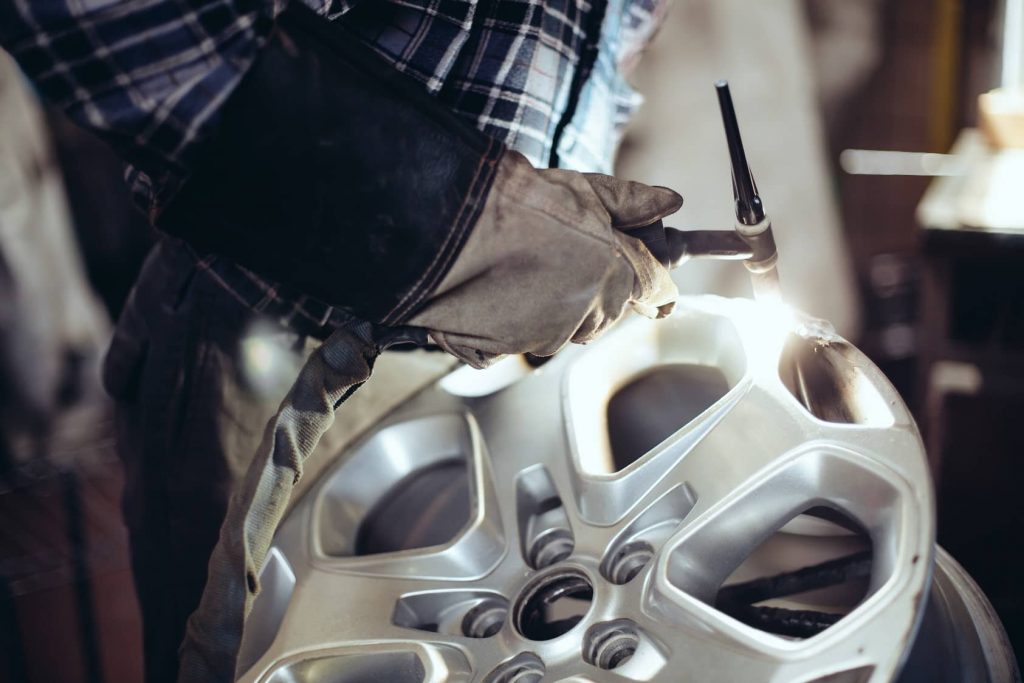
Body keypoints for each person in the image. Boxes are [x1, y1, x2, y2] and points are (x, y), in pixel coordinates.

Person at [1, 0, 682, 679]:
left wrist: (549, 231)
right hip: (271, 346)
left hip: (488, 355)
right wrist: (469, 226)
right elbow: (125, 30)